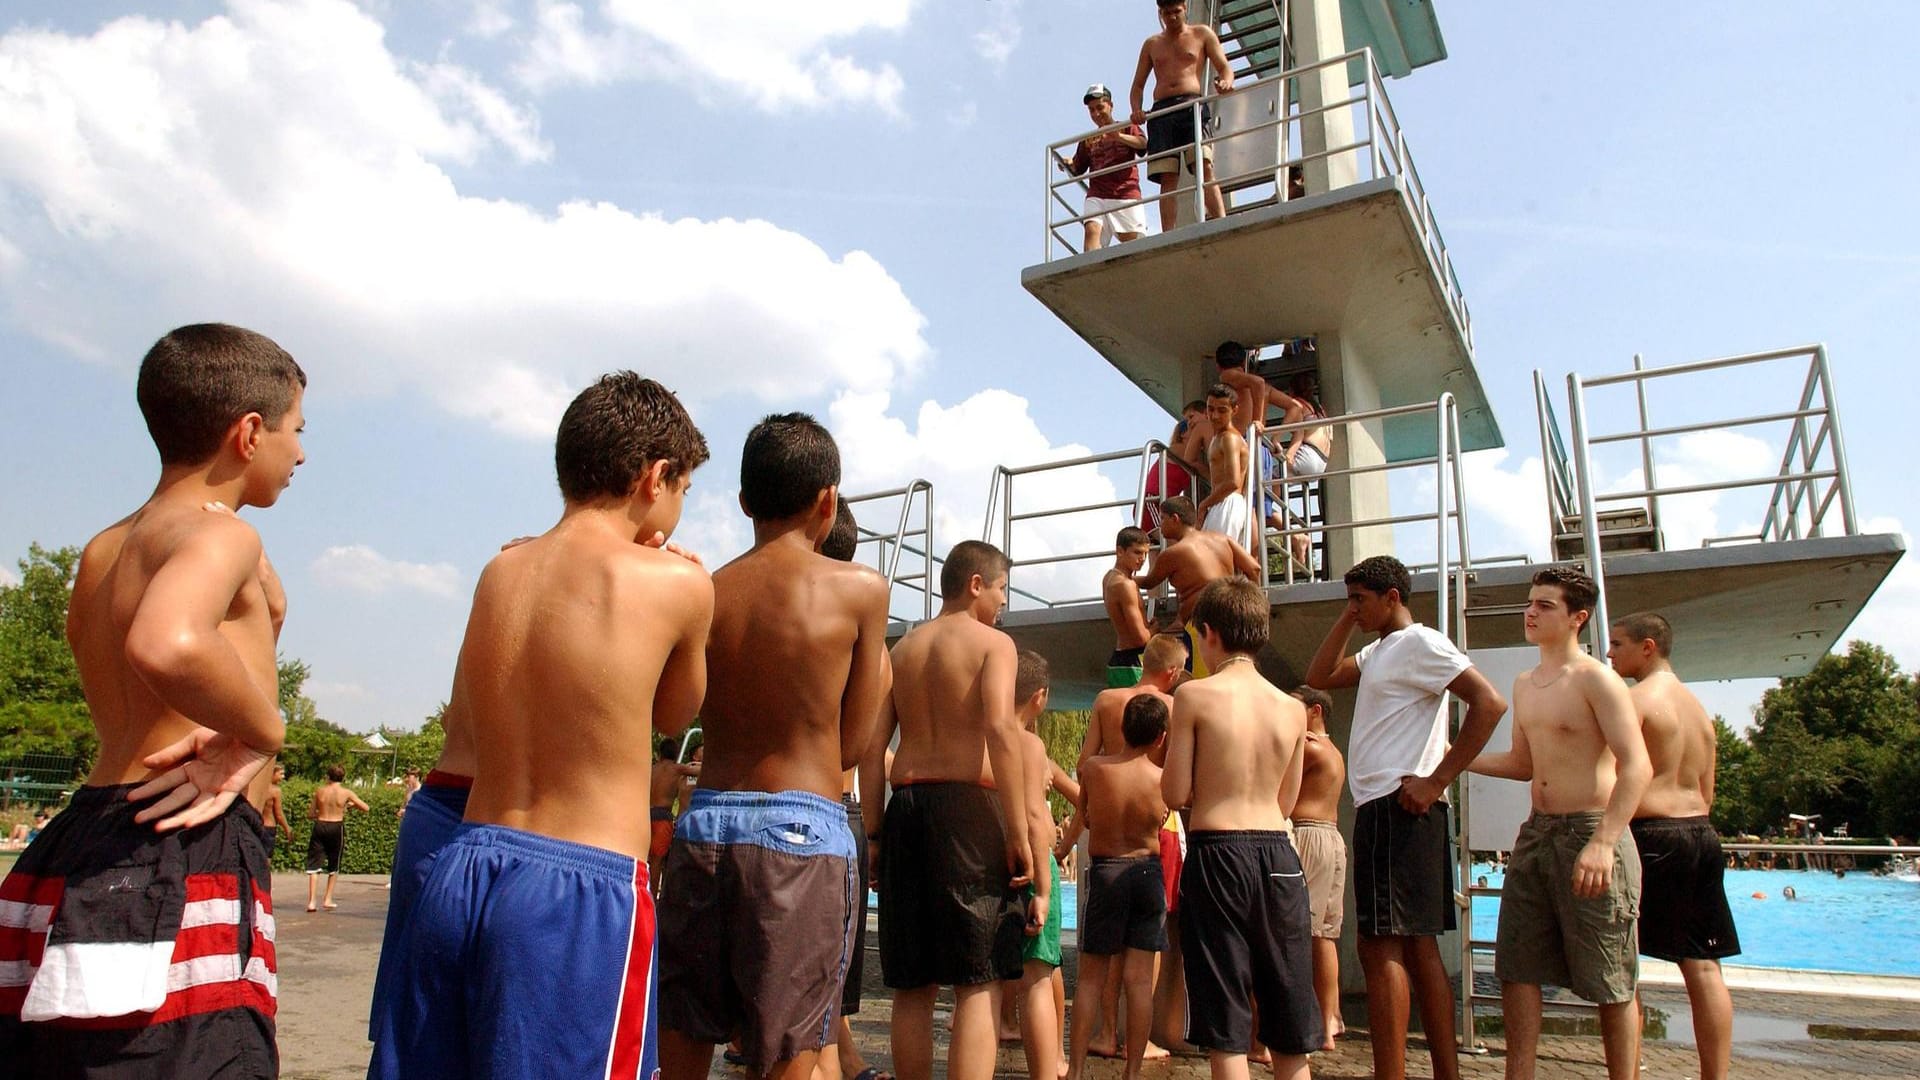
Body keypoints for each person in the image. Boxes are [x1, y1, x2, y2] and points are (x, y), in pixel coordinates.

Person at [369, 371, 713, 1080]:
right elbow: (674, 715)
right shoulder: (677, 583)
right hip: (579, 888)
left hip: (467, 861)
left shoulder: (503, 570)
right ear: (657, 478)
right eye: (684, 490)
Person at [0, 323, 303, 1076]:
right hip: (175, 844)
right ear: (249, 431)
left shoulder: (107, 547)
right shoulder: (220, 535)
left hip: (84, 836)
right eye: (297, 430)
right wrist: (265, 729)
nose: (300, 453)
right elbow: (167, 642)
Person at [656, 414, 890, 1080]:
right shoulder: (862, 591)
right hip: (801, 828)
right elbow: (851, 745)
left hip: (704, 824)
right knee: (790, 1055)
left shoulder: (705, 591)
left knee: (683, 1041)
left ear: (743, 503)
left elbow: (676, 715)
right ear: (828, 502)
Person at [1305, 554, 1507, 1080]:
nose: (1355, 609)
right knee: (1416, 946)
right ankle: (1444, 1071)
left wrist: (1438, 779)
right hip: (1390, 809)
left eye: (1362, 600)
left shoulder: (1422, 642)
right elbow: (1319, 675)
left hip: (1400, 807)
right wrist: (1349, 615)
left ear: (1392, 598)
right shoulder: (1380, 651)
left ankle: (1392, 1072)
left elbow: (1488, 703)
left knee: (1380, 945)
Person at [861, 540, 1035, 1080]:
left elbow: (871, 749)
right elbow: (1002, 730)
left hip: (907, 807)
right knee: (977, 981)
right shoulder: (993, 644)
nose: (1004, 602)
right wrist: (1018, 829)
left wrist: (873, 833)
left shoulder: (902, 651)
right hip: (969, 809)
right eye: (1002, 588)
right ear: (976, 584)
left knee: (912, 983)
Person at [1467, 567, 1650, 1080]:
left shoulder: (1598, 679)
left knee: (1610, 977)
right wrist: (1456, 758)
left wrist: (1604, 841)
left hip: (1590, 830)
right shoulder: (1525, 683)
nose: (1530, 612)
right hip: (1537, 834)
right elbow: (1523, 763)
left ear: (1577, 617)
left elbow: (1637, 765)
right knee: (1517, 966)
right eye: (1530, 603)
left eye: (1545, 605)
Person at [1163, 577, 1320, 1080]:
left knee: (1226, 1019)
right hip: (1278, 854)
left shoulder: (1195, 698)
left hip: (1218, 850)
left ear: (1208, 633)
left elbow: (1174, 793)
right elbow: (1287, 800)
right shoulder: (1293, 709)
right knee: (1289, 1014)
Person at [1607, 612, 1738, 1080]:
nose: (1609, 653)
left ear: (1648, 647)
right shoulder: (1699, 710)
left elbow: (1615, 776)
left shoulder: (1633, 700)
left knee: (1624, 966)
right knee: (1704, 967)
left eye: (1617, 644)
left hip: (1652, 836)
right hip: (1701, 835)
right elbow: (1708, 790)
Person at [816, 496, 892, 1080]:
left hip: (737, 802)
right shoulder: (864, 631)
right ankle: (838, 1059)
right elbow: (864, 748)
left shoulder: (735, 594)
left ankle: (845, 1056)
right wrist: (874, 830)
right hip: (829, 805)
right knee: (826, 969)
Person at [1068, 694, 1171, 1080]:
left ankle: (1076, 1070)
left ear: (1122, 728)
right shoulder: (1161, 779)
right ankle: (1131, 1072)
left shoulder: (1095, 769)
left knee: (1092, 977)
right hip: (1147, 871)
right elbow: (1163, 818)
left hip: (1108, 870)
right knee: (1140, 981)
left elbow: (1088, 815)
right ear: (1161, 737)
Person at [1002, 651, 1065, 1080]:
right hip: (1030, 866)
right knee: (1037, 980)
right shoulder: (1028, 744)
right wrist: (1043, 887)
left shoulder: (983, 737)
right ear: (1039, 697)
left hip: (991, 868)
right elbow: (1036, 816)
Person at [1128, 0, 1232, 231]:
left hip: (1191, 105)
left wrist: (1226, 82)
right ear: (1160, 13)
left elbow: (1224, 67)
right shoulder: (1152, 44)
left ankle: (1222, 219)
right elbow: (1137, 86)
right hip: (1162, 111)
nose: (1172, 17)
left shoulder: (1202, 33)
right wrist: (1136, 109)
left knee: (1204, 166)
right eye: (1167, 13)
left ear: (1185, 8)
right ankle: (1168, 232)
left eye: (1176, 11)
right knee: (1167, 177)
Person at [1135, 496, 1261, 676]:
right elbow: (1254, 569)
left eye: (1162, 518)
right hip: (1234, 620)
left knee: (1204, 682)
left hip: (1204, 625)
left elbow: (1149, 582)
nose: (1160, 525)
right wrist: (1254, 603)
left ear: (1175, 519)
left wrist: (1123, 577)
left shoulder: (1173, 553)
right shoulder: (1223, 540)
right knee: (1233, 676)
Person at [1289, 685, 1348, 1051]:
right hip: (1331, 838)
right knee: (1324, 935)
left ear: (1315, 712)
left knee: (1296, 931)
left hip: (1309, 835)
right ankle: (1329, 1021)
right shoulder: (1333, 751)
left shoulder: (1311, 748)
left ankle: (1303, 1023)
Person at [1213, 342, 1310, 536]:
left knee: (1243, 504)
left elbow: (1256, 382)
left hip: (1244, 445)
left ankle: (1251, 558)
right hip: (1261, 450)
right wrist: (1275, 437)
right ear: (1244, 361)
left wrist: (1256, 422)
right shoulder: (1265, 388)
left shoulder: (1227, 377)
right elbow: (1295, 407)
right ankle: (1292, 539)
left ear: (1218, 364)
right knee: (1256, 512)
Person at [1066, 84, 1148, 249]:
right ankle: (1091, 271)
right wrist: (1068, 164)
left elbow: (1142, 144)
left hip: (1124, 192)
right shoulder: (1088, 139)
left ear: (1110, 105)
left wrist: (1118, 137)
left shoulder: (1126, 126)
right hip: (1097, 194)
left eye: (1100, 107)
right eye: (1091, 110)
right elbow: (1078, 167)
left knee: (1132, 244)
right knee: (1091, 231)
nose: (1096, 113)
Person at [304, 763, 370, 912]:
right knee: (334, 863)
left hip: (320, 825)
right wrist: (350, 806)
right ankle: (327, 899)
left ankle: (312, 902)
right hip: (336, 826)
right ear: (343, 777)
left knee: (314, 865)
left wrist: (320, 813)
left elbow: (310, 814)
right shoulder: (346, 793)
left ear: (328, 776)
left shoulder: (320, 791)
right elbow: (366, 808)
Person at [1194, 385, 1251, 542]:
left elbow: (1233, 482)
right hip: (1220, 502)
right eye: (1210, 409)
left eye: (1222, 410)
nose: (1215, 416)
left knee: (1218, 559)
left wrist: (1204, 505)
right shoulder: (1217, 438)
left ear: (1234, 410)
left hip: (1228, 502)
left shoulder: (1229, 438)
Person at [1103, 527, 1154, 687]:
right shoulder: (1126, 585)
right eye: (1137, 552)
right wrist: (1155, 630)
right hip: (1132, 663)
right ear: (1120, 551)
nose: (1143, 558)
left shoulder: (1109, 578)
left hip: (1120, 660)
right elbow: (1140, 639)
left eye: (1146, 553)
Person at [647, 736, 698, 895]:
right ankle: (652, 901)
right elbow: (701, 771)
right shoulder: (677, 769)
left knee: (644, 860)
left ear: (660, 753)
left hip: (646, 815)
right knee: (656, 863)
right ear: (676, 754)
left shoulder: (651, 769)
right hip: (663, 817)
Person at [263, 764, 293, 852]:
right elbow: (279, 814)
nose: (283, 777)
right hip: (269, 827)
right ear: (272, 773)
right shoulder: (276, 791)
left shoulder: (260, 788)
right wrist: (287, 829)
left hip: (256, 825)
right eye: (281, 774)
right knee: (267, 858)